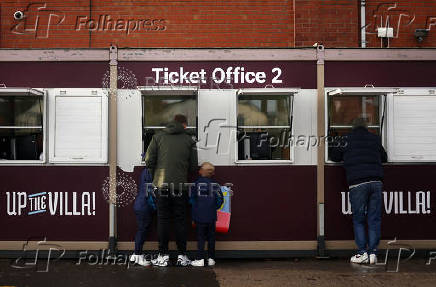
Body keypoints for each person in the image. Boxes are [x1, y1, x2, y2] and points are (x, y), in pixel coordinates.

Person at [330, 117, 387, 264]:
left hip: (358, 183)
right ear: (366, 127)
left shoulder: (346, 139)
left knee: (359, 219)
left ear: (352, 127)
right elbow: (384, 157)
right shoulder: (375, 139)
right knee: (374, 219)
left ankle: (362, 253)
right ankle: (373, 253)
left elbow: (334, 157)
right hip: (376, 182)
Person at [145, 114, 198, 267]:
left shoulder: (158, 137)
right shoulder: (189, 140)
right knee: (181, 220)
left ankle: (163, 256)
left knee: (163, 220)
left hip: (161, 185)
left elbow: (149, 159)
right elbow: (194, 166)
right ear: (184, 125)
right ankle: (182, 255)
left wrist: (155, 173)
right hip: (180, 186)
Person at [189, 162, 223, 267]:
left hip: (199, 216)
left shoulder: (196, 184)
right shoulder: (215, 185)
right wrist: (213, 208)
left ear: (202, 172)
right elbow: (220, 200)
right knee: (211, 237)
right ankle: (211, 258)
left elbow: (191, 200)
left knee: (201, 237)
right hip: (211, 216)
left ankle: (200, 259)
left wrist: (197, 208)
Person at [130, 166, 156, 266]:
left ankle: (135, 255)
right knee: (142, 230)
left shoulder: (145, 171)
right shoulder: (149, 172)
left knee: (141, 230)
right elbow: (149, 192)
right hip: (144, 206)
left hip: (140, 205)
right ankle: (138, 254)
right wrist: (154, 207)